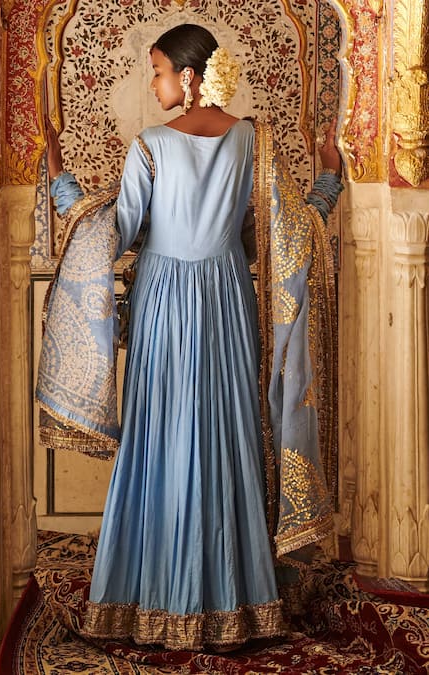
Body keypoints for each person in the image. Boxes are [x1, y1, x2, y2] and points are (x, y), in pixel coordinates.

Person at [37, 23, 343, 652]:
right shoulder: (252, 141)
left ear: (189, 76)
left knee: (162, 433)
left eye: (157, 72)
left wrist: (62, 180)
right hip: (227, 299)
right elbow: (286, 235)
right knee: (227, 430)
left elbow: (111, 234)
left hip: (164, 302)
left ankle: (151, 597)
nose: (153, 86)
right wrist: (329, 181)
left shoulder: (151, 145)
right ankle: (236, 602)